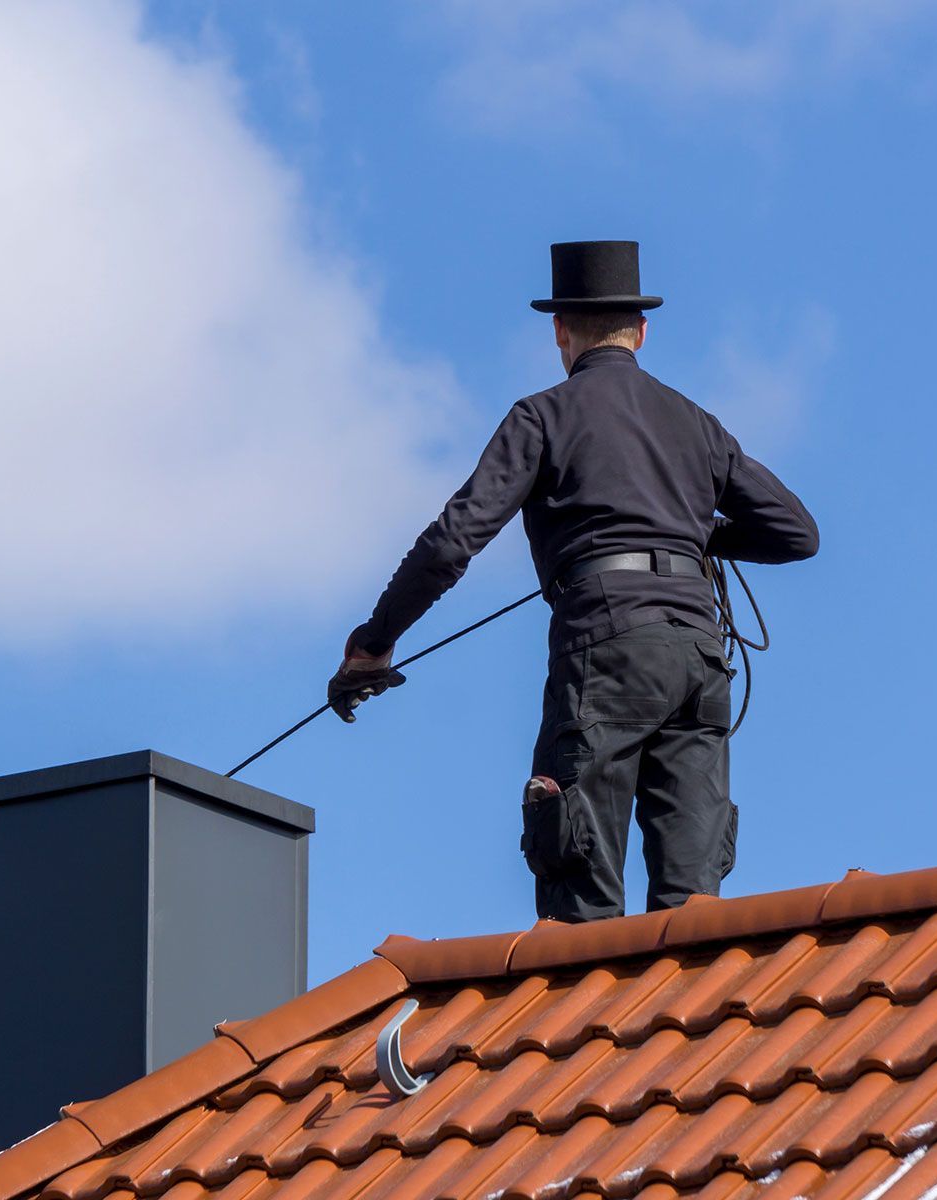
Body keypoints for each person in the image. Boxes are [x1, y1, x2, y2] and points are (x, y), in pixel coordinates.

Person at [329, 241, 818, 922]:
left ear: (560, 330)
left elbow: (451, 544)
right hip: (700, 656)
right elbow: (797, 532)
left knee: (579, 895)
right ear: (642, 332)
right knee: (694, 908)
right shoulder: (696, 424)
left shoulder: (542, 416)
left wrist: (374, 641)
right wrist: (689, 536)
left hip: (606, 648)